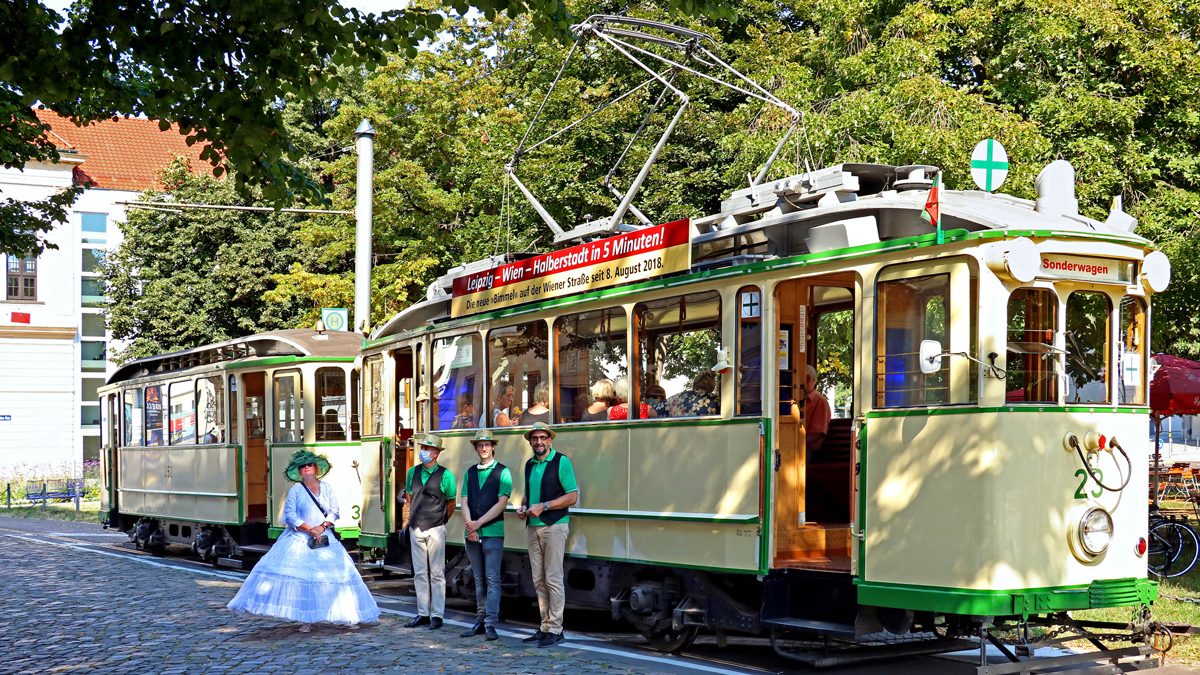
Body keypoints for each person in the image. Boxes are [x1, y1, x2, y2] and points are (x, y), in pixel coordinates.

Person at [227, 449, 379, 631]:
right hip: (300, 539)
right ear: (299, 471)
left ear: (316, 468)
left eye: (310, 465)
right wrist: (308, 528)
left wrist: (322, 527)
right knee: (304, 579)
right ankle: (306, 618)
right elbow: (290, 515)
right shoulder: (296, 491)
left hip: (324, 537)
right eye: (303, 466)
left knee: (339, 576)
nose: (307, 468)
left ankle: (346, 616)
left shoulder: (327, 488)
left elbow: (334, 510)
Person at [515, 422, 579, 648]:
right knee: (538, 579)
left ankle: (555, 629)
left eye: (543, 437)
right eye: (535, 438)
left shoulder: (561, 462)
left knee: (553, 578)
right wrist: (523, 507)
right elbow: (528, 495)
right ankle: (544, 626)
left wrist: (544, 506)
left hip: (554, 526)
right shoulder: (530, 464)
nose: (539, 442)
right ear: (530, 441)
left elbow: (572, 496)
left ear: (550, 440)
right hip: (533, 526)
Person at [459, 429, 512, 642]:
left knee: (492, 579)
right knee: (479, 579)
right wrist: (470, 527)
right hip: (472, 533)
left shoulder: (503, 471)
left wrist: (478, 524)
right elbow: (464, 500)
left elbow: (502, 503)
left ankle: (491, 622)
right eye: (480, 445)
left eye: (487, 444)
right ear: (476, 448)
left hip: (493, 532)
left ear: (493, 447)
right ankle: (480, 619)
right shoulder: (470, 472)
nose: (483, 448)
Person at [402, 434, 457, 630]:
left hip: (436, 527)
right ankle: (422, 613)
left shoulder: (446, 475)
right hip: (416, 526)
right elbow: (409, 497)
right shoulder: (412, 472)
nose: (422, 452)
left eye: (426, 448)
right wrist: (407, 522)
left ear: (436, 453)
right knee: (419, 573)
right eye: (422, 448)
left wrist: (442, 520)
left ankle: (437, 615)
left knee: (437, 573)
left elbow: (451, 502)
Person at [804, 365, 832, 452]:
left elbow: (817, 433)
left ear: (808, 380)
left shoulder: (821, 402)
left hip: (809, 449)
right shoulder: (798, 399)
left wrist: (797, 442)